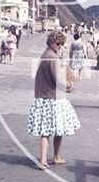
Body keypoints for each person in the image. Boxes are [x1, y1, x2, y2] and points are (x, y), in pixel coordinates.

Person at [27, 31, 81, 168]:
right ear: (51, 42)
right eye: (58, 43)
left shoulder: (46, 55)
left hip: (44, 96)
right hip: (54, 98)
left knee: (46, 130)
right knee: (58, 129)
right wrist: (69, 85)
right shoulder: (53, 58)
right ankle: (53, 157)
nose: (60, 46)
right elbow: (58, 80)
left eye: (62, 44)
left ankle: (45, 158)